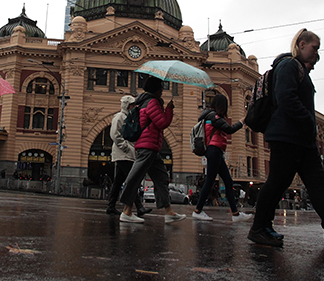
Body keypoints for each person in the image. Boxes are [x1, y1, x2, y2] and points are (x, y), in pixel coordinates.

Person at [247, 28, 324, 249]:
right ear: (302, 44)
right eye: (314, 48)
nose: (317, 54)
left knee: (316, 186)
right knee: (277, 183)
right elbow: (286, 99)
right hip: (288, 136)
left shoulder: (299, 70)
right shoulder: (288, 65)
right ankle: (259, 228)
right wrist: (308, 121)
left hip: (301, 139)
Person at [118, 77, 186, 224]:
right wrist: (169, 109)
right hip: (147, 146)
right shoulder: (152, 102)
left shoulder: (145, 101)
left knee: (161, 179)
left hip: (152, 147)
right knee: (135, 177)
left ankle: (168, 211)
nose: (162, 90)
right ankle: (126, 211)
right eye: (161, 87)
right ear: (156, 89)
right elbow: (162, 122)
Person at [192, 94, 251, 222]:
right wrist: (242, 121)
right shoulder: (214, 117)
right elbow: (229, 129)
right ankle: (197, 210)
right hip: (214, 150)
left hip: (216, 151)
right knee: (210, 181)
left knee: (228, 182)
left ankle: (235, 214)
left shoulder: (209, 116)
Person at [106, 95, 152, 217]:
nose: (133, 107)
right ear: (126, 105)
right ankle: (139, 206)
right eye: (131, 105)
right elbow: (114, 134)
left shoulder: (128, 117)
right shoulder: (120, 117)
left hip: (126, 153)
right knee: (131, 180)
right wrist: (124, 146)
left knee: (118, 181)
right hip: (122, 153)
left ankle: (111, 206)